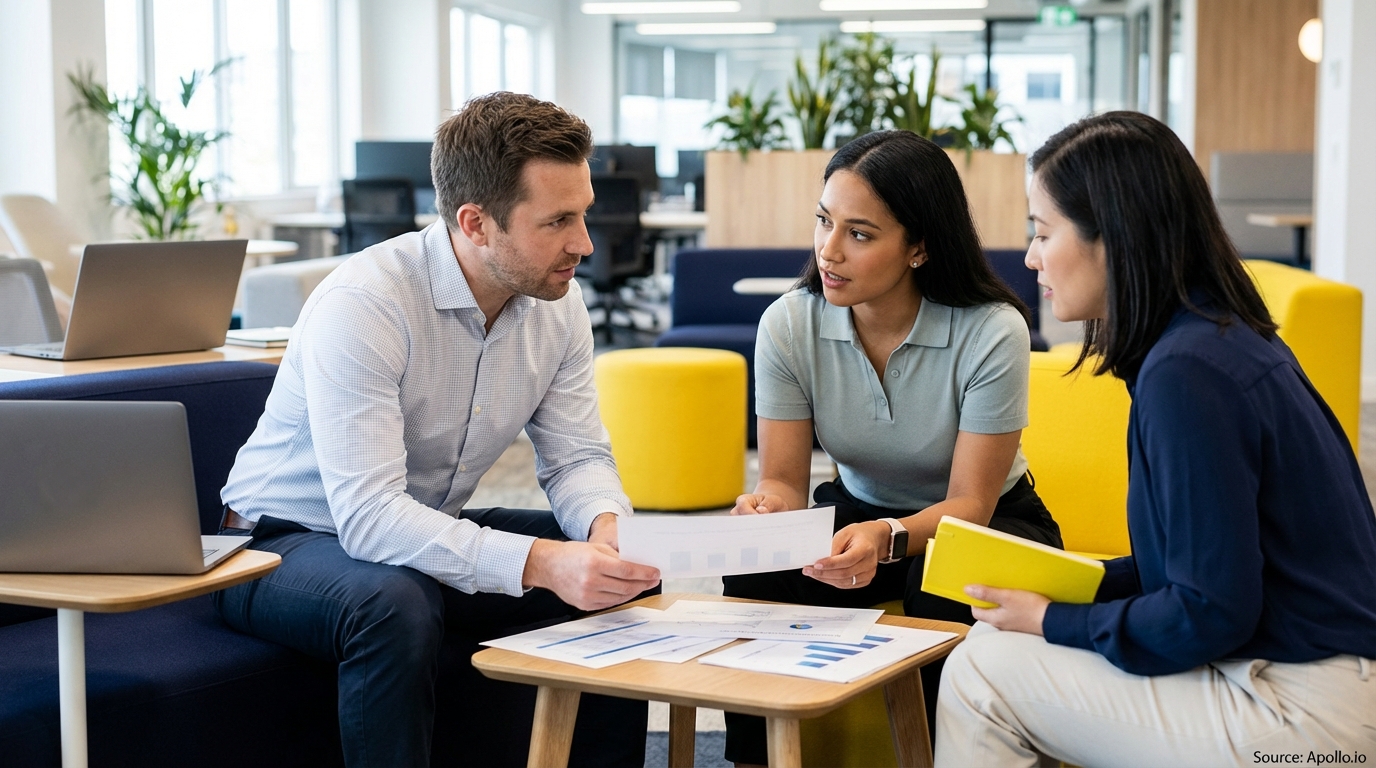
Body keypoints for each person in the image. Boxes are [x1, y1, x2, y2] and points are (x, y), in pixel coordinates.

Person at [213, 92, 661, 768]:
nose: (585, 244)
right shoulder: (367, 302)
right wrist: (542, 563)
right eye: (558, 221)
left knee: (629, 572)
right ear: (475, 223)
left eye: (584, 214)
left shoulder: (557, 303)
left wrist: (605, 526)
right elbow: (367, 518)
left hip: (413, 525)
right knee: (396, 602)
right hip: (274, 545)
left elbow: (575, 459)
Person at [935, 111, 1376, 767]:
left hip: (1304, 713)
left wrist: (1052, 620)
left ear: (1112, 236)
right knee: (998, 648)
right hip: (1310, 677)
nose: (1030, 257)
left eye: (1042, 232)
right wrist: (1064, 588)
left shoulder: (1187, 373)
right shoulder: (1215, 340)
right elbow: (1191, 570)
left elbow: (1209, 611)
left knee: (981, 675)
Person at [720, 129, 1062, 766]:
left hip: (988, 521)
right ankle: (758, 757)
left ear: (919, 247)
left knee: (938, 581)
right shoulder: (789, 323)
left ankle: (938, 756)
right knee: (755, 564)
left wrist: (890, 536)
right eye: (824, 221)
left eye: (859, 233)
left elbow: (971, 504)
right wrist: (768, 511)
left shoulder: (992, 330)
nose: (829, 250)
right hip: (860, 511)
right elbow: (784, 482)